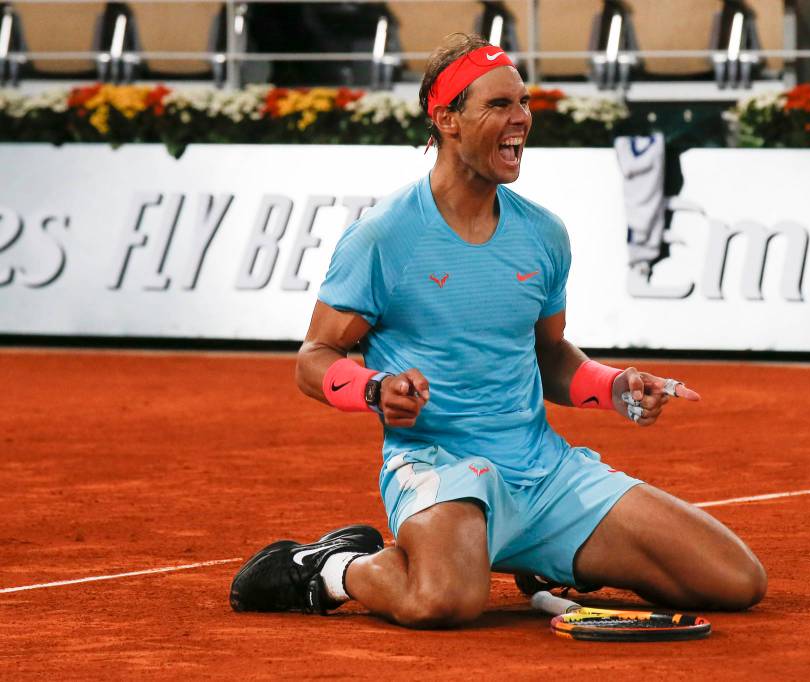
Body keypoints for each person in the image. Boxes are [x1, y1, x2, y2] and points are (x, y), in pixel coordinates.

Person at [229, 33, 766, 627]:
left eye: (524, 102)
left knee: (735, 580)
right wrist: (375, 389)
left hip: (544, 471)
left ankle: (548, 556)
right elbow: (315, 358)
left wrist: (615, 386)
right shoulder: (384, 235)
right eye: (499, 105)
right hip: (441, 467)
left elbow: (549, 355)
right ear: (447, 120)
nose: (521, 119)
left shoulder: (543, 234)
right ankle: (329, 568)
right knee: (445, 600)